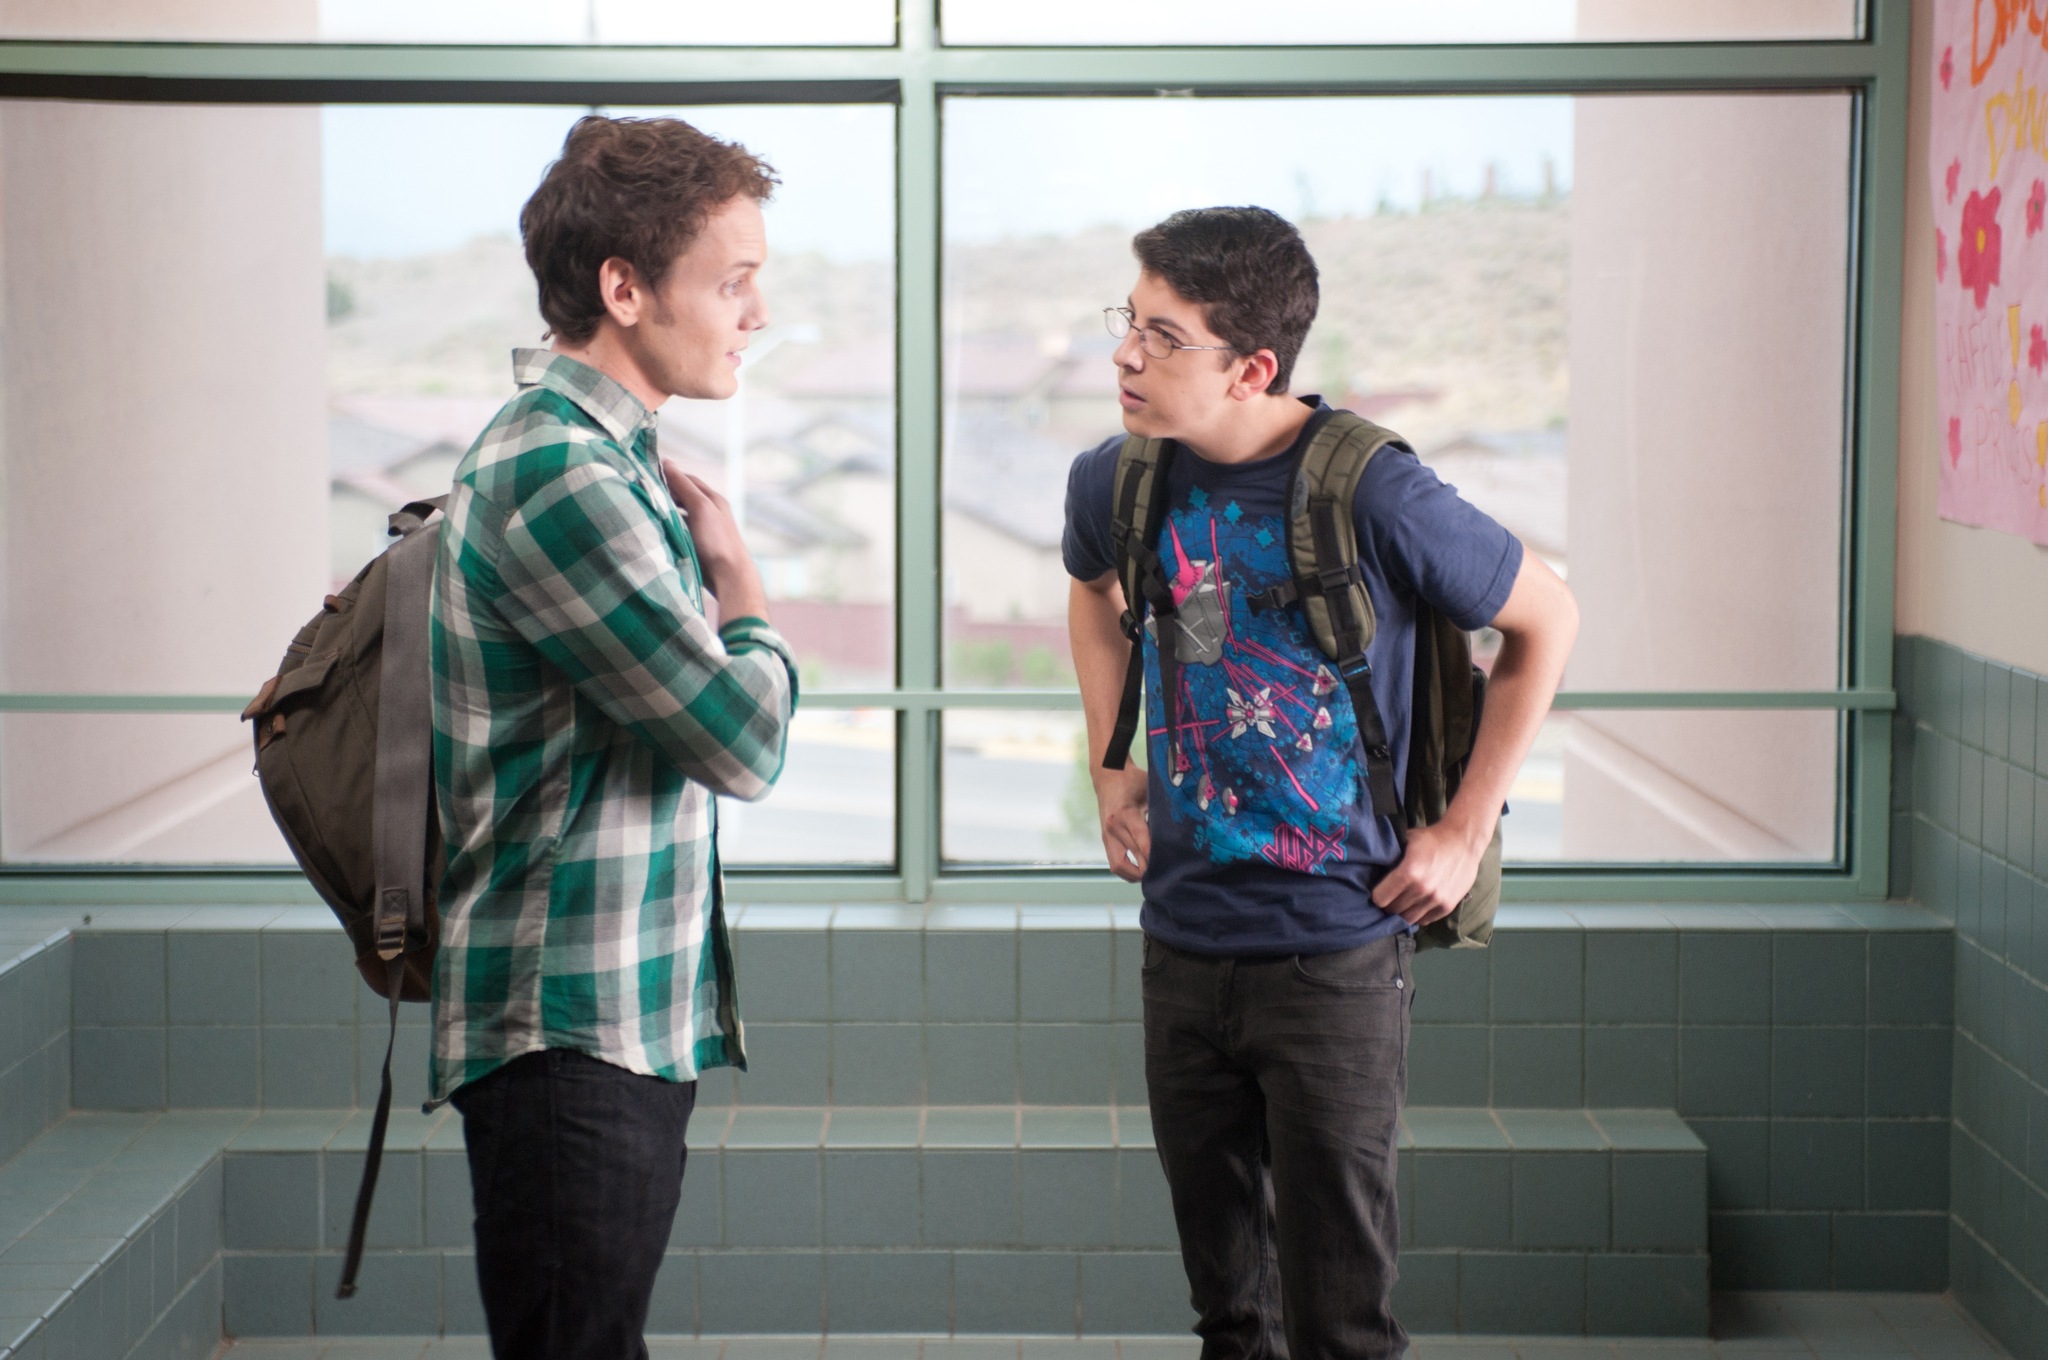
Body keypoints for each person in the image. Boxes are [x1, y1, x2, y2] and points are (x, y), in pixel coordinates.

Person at [1064, 206, 1578, 1359]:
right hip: (1180, 946)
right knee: (1228, 1315)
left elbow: (1547, 619)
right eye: (1125, 321)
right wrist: (1112, 767)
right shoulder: (1115, 482)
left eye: (1160, 334)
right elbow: (1091, 599)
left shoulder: (1375, 493)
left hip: (1334, 956)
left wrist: (1459, 828)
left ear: (1252, 367)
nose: (1123, 355)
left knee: (1339, 1319)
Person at [427, 115, 797, 1360]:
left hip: (611, 1019)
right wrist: (741, 588)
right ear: (623, 289)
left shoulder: (613, 459)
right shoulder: (561, 475)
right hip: (565, 1031)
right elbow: (740, 744)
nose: (756, 313)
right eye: (732, 281)